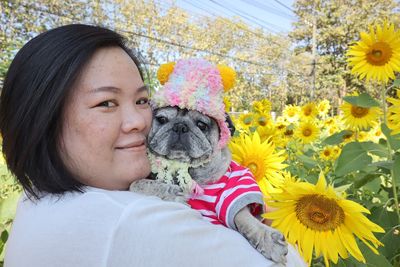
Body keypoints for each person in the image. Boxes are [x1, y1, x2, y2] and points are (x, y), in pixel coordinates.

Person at [1, 24, 305, 267]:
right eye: (106, 102)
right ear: (41, 120)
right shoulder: (136, 222)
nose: (138, 121)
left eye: (143, 101)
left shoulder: (36, 200)